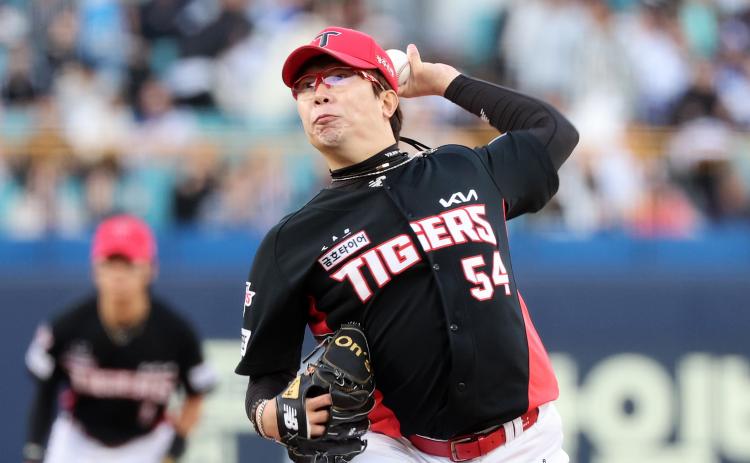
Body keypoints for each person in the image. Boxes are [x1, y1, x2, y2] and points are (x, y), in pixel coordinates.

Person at [236, 26, 579, 462]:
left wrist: (444, 82)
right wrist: (276, 417)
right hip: (399, 451)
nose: (318, 94)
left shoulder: (463, 169)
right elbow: (263, 382)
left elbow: (553, 130)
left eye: (338, 77)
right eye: (305, 86)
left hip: (527, 445)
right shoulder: (291, 241)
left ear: (387, 100)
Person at [23, 214, 217, 463]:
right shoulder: (66, 327)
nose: (118, 275)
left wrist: (173, 451)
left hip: (147, 444)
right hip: (78, 441)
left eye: (128, 264)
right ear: (95, 269)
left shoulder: (176, 332)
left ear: (150, 269)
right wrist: (33, 451)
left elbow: (196, 394)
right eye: (110, 264)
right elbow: (44, 390)